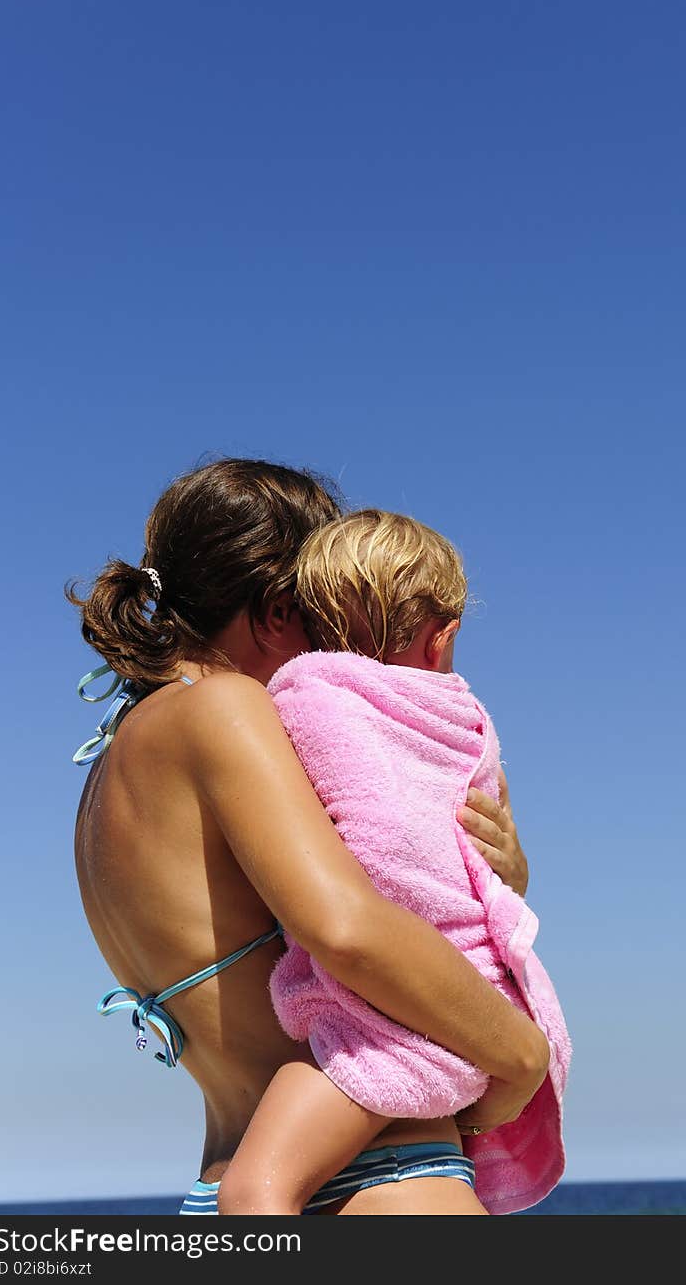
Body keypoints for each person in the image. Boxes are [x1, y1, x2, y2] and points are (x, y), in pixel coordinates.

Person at [69, 458, 549, 1216]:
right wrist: (522, 1056)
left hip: (233, 1178)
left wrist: (501, 872)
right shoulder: (224, 710)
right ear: (276, 611)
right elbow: (348, 927)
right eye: (330, 617)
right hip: (379, 1177)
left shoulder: (111, 771)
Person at [216, 511, 570, 1217]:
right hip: (479, 1009)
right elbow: (480, 858)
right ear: (441, 638)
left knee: (254, 1193)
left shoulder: (299, 698)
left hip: (386, 1027)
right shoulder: (468, 719)